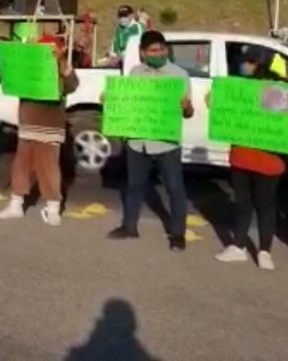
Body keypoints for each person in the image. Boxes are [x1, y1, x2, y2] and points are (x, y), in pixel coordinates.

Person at [107, 30, 193, 251]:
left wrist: (187, 107)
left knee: (175, 188)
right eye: (153, 50)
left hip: (166, 142)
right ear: (143, 53)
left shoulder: (179, 75)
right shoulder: (135, 73)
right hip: (138, 141)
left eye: (162, 49)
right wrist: (112, 101)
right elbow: (128, 104)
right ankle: (129, 227)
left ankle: (177, 234)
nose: (159, 53)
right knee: (134, 185)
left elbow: (188, 113)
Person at [211, 47, 285, 270]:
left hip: (265, 161)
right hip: (244, 158)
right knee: (248, 205)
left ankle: (262, 250)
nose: (245, 66)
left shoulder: (275, 91)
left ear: (259, 65)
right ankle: (241, 247)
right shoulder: (239, 89)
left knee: (262, 206)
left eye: (250, 62)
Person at [0, 35, 79, 226]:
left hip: (50, 125)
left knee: (48, 167)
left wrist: (61, 61)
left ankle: (53, 208)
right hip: (28, 123)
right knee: (21, 165)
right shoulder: (28, 67)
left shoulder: (62, 67)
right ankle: (16, 204)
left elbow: (72, 85)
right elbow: (9, 76)